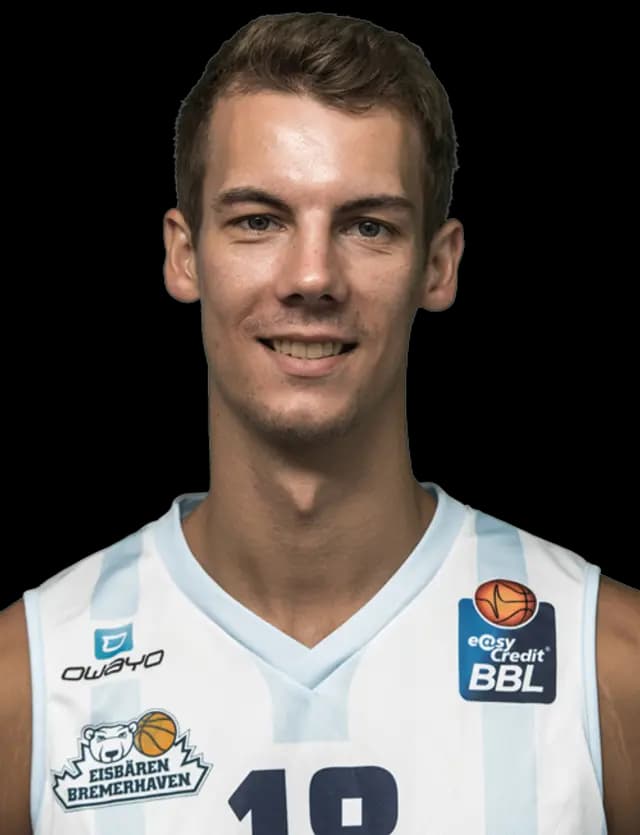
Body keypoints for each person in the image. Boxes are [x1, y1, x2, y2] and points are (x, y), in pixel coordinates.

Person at [1, 10, 638, 835]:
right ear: (184, 254)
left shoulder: (607, 662)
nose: (311, 276)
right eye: (259, 220)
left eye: (367, 225)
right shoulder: (30, 682)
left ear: (438, 264)